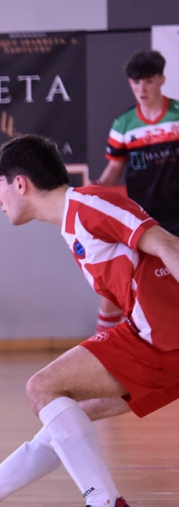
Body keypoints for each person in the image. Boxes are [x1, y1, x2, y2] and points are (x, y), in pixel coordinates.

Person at [0, 134, 179, 507]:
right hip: (155, 338)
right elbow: (121, 286)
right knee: (67, 416)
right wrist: (103, 335)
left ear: (20, 183)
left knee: (43, 387)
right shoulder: (74, 221)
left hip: (162, 337)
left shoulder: (89, 204)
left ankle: (105, 505)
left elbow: (167, 244)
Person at [93, 50, 179, 334]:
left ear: (162, 80)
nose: (142, 89)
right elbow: (113, 169)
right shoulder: (124, 124)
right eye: (136, 82)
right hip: (142, 218)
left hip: (177, 215)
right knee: (117, 281)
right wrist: (94, 190)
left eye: (149, 81)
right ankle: (102, 342)